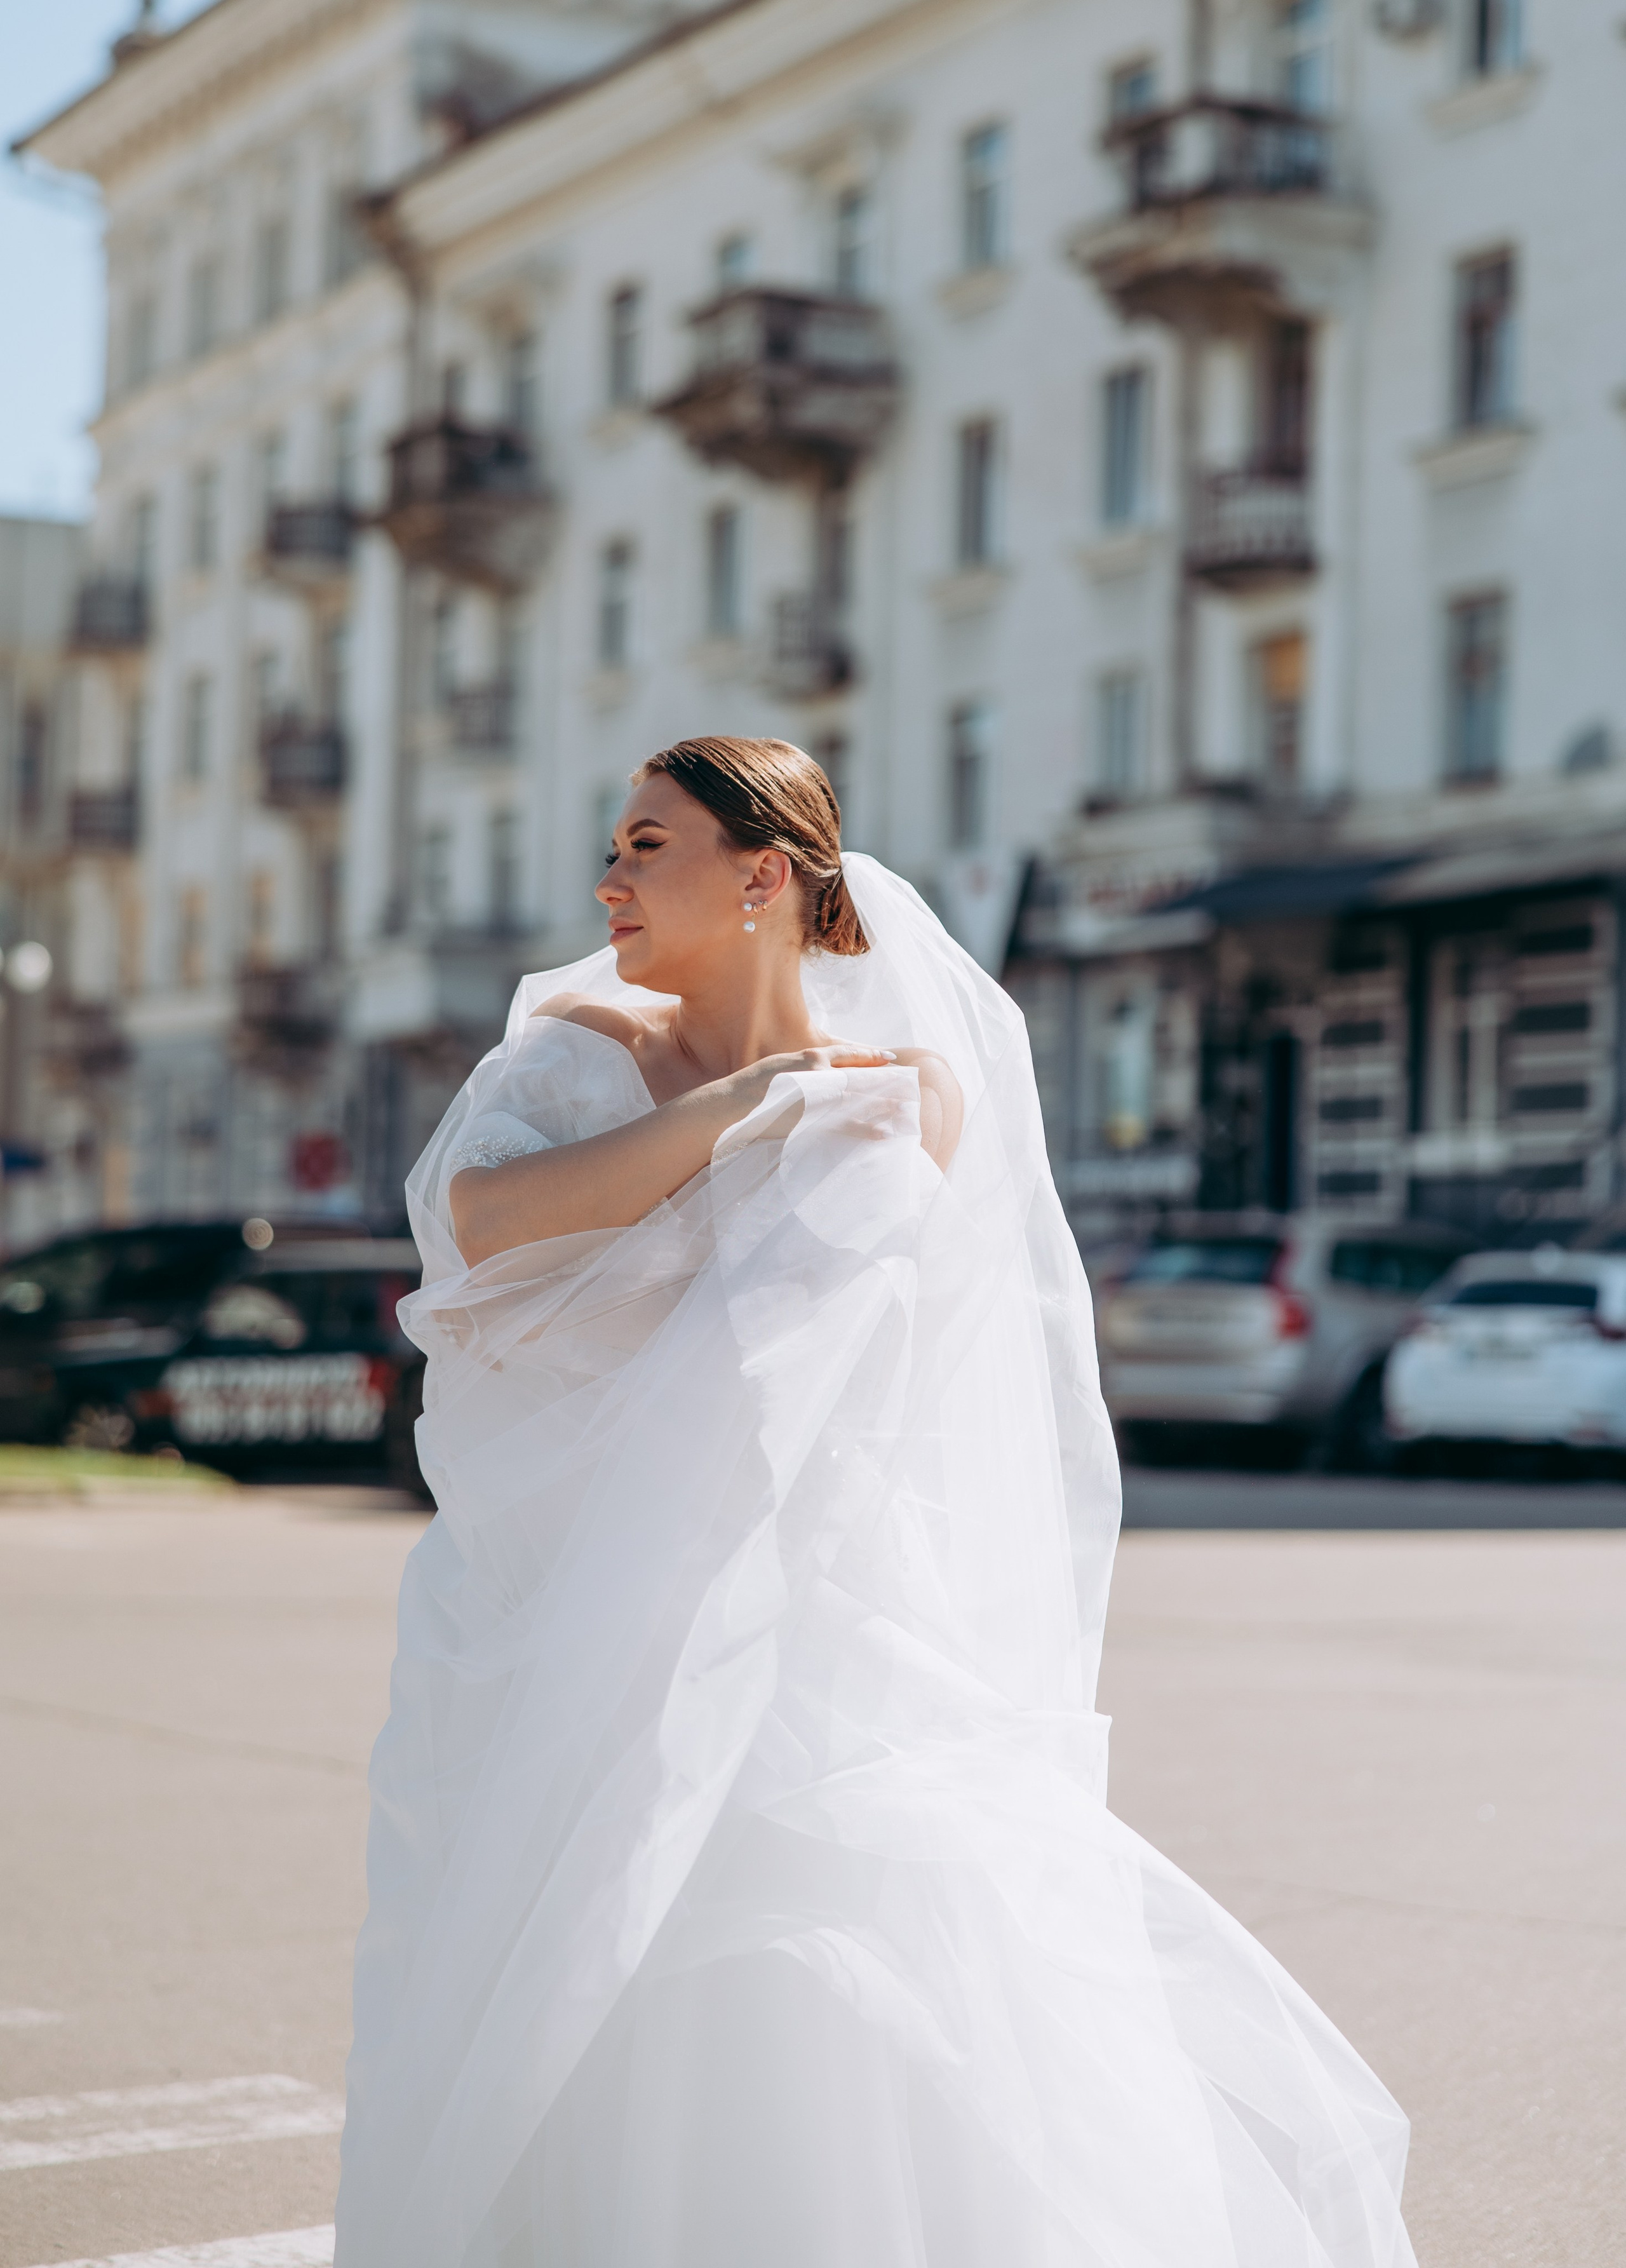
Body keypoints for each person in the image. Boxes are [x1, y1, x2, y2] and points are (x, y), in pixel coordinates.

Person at [336, 736, 1418, 2268]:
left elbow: (921, 1363)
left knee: (852, 1971)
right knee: (598, 1948)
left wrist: (801, 1105)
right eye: (615, 848)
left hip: (834, 1604)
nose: (609, 880)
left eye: (648, 845)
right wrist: (742, 1110)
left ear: (761, 872)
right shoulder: (575, 1048)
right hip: (588, 1597)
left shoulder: (908, 1094)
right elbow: (476, 1231)